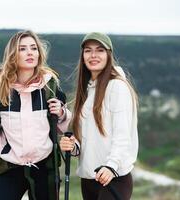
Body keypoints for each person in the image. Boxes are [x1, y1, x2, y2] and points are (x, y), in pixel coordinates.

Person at [0, 30, 71, 200]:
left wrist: (62, 113)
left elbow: (65, 128)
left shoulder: (51, 87)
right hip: (11, 166)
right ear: (13, 55)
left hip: (45, 167)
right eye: (22, 49)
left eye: (34, 48)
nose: (30, 52)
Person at [60, 32, 139, 200]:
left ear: (108, 54)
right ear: (82, 56)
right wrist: (73, 146)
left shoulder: (117, 87)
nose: (93, 55)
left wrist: (111, 166)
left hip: (113, 177)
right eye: (88, 50)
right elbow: (85, 139)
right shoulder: (86, 91)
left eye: (100, 50)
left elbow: (122, 135)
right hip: (89, 179)